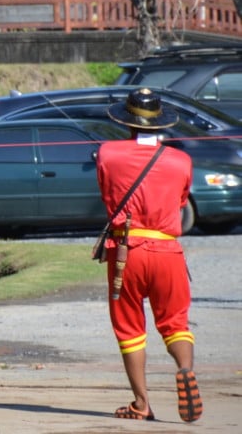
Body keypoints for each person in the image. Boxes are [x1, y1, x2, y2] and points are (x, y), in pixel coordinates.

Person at [95, 87, 201, 423]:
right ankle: (184, 368)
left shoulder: (108, 153)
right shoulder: (182, 161)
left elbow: (106, 193)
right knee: (175, 324)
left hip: (127, 251)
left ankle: (141, 402)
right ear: (160, 124)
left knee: (129, 328)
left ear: (127, 122)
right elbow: (181, 203)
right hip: (168, 249)